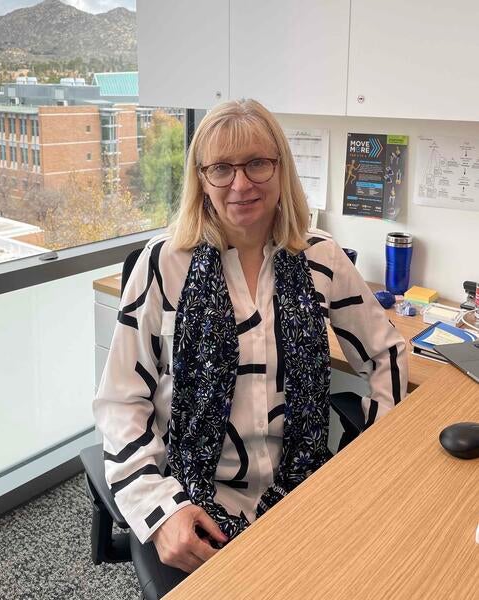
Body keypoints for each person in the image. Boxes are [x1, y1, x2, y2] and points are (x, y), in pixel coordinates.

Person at [93, 99, 408, 591]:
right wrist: (157, 510)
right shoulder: (162, 265)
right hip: (194, 500)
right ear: (202, 178)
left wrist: (369, 460)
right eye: (221, 168)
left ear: (280, 169)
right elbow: (120, 401)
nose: (241, 184)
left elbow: (387, 353)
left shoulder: (320, 257)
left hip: (307, 492)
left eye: (257, 163)